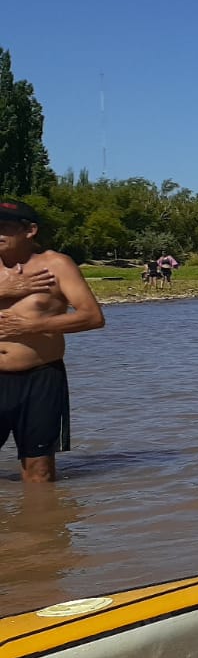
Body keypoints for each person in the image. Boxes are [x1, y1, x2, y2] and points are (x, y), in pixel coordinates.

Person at [0, 199, 106, 483]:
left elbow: (93, 317)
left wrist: (37, 324)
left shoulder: (56, 265)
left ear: (30, 230)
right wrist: (5, 288)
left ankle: (39, 524)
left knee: (40, 470)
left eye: (5, 227)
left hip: (41, 376)